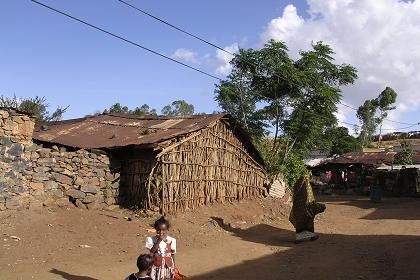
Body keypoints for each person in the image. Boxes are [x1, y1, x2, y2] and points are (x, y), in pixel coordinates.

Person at [289, 174, 326, 243]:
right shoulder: (306, 184)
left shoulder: (297, 183)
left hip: (299, 205)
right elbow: (310, 197)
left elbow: (295, 194)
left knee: (300, 220)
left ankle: (300, 238)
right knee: (308, 220)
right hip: (306, 205)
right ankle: (310, 237)